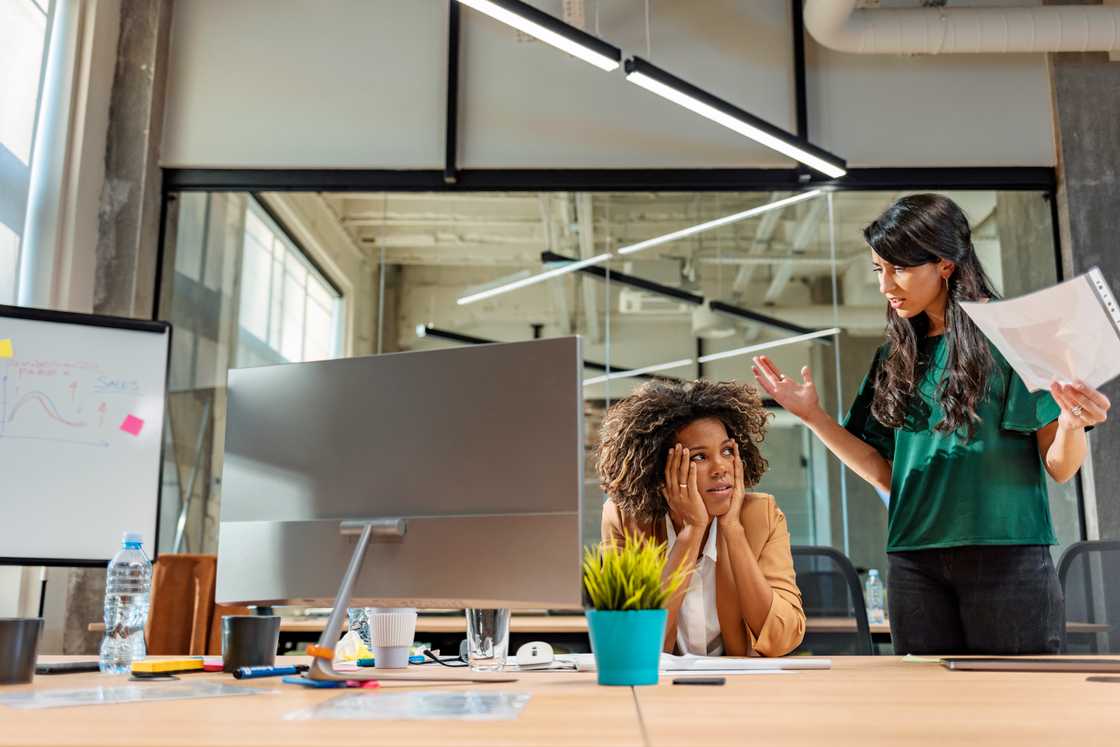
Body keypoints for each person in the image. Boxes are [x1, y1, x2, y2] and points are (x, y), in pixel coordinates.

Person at [752, 193, 1111, 655]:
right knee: (927, 715)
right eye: (878, 269)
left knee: (1016, 712)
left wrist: (1070, 422)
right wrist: (812, 416)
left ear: (944, 264)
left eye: (898, 268)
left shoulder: (1016, 341)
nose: (885, 285)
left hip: (1007, 554)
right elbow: (885, 472)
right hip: (913, 563)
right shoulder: (894, 357)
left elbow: (1060, 467)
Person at [597, 379, 805, 657]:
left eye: (727, 451)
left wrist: (733, 530)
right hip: (659, 689)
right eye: (699, 457)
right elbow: (631, 645)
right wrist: (691, 533)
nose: (721, 468)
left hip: (741, 690)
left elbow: (783, 639)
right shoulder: (625, 520)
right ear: (660, 470)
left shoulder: (761, 516)